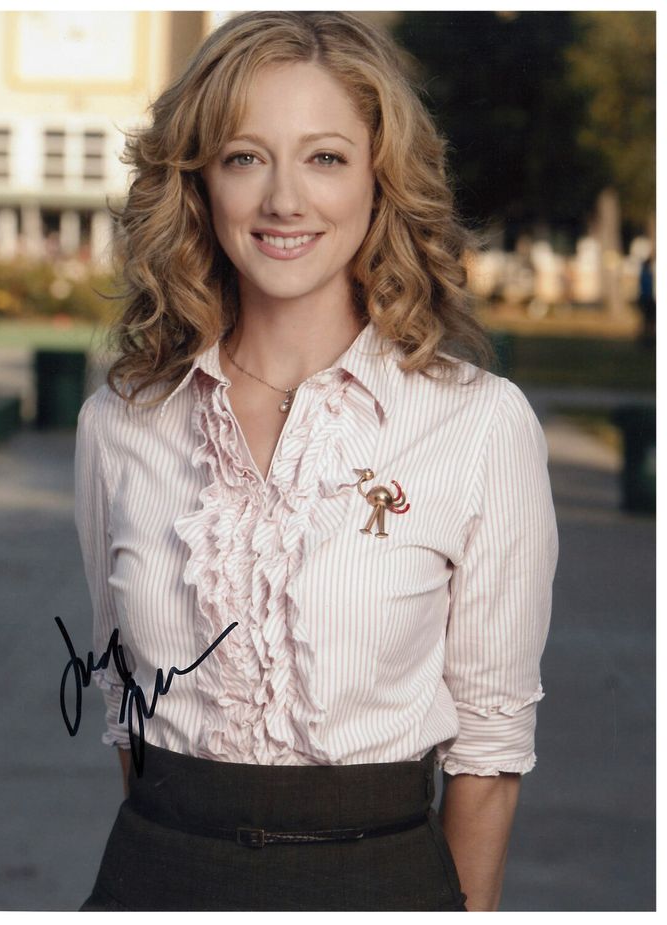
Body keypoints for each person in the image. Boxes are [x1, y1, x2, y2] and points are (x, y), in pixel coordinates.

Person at [74, 11, 558, 912]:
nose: (284, 200)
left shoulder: (480, 425)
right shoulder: (118, 425)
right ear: (199, 182)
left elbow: (489, 752)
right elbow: (124, 710)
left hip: (382, 881)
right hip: (156, 877)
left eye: (326, 157)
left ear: (381, 178)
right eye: (245, 156)